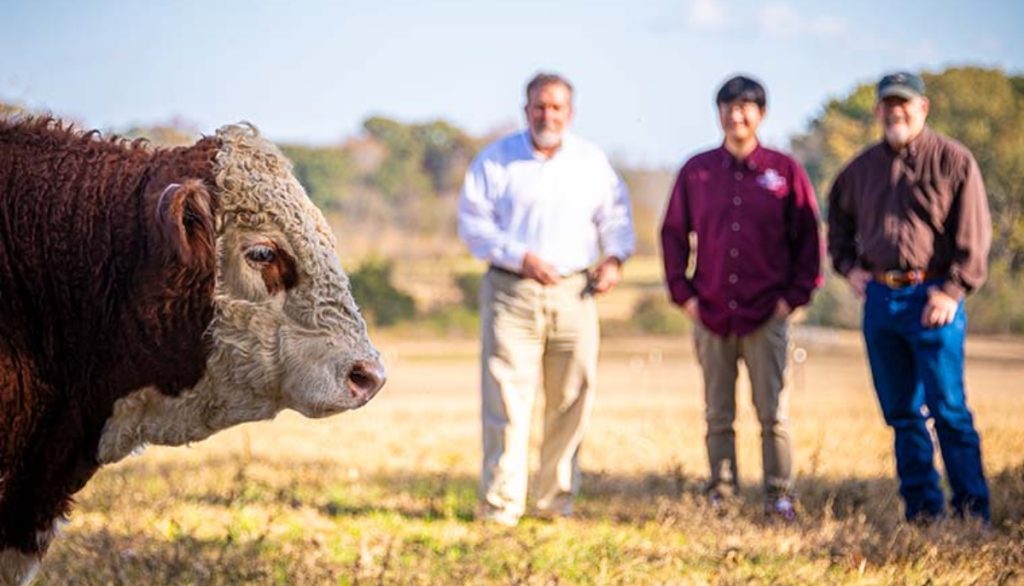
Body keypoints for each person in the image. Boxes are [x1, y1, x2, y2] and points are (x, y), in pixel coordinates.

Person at [458, 72, 635, 526]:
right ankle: (501, 505)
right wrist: (521, 257)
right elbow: (475, 226)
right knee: (507, 402)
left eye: (556, 107)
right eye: (539, 106)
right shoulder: (496, 161)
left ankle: (555, 503)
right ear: (526, 110)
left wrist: (613, 259)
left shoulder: (592, 162)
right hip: (512, 291)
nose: (547, 115)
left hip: (576, 293)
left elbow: (615, 215)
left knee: (571, 399)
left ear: (570, 113)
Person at [827, 72, 992, 523]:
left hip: (935, 296)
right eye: (888, 104)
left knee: (949, 409)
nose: (895, 112)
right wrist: (850, 268)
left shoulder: (954, 161)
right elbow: (836, 223)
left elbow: (975, 236)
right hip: (882, 298)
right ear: (878, 110)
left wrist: (953, 290)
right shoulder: (859, 170)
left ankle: (972, 512)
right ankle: (922, 511)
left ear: (923, 107)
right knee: (902, 412)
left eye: (905, 104)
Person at [660, 75, 822, 519]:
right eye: (729, 107)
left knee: (773, 413)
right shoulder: (698, 171)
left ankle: (778, 495)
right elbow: (673, 234)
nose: (737, 115)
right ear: (719, 114)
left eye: (746, 107)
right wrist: (684, 294)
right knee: (718, 412)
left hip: (767, 312)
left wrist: (794, 297)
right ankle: (721, 492)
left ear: (761, 114)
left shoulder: (784, 171)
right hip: (710, 312)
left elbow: (809, 238)